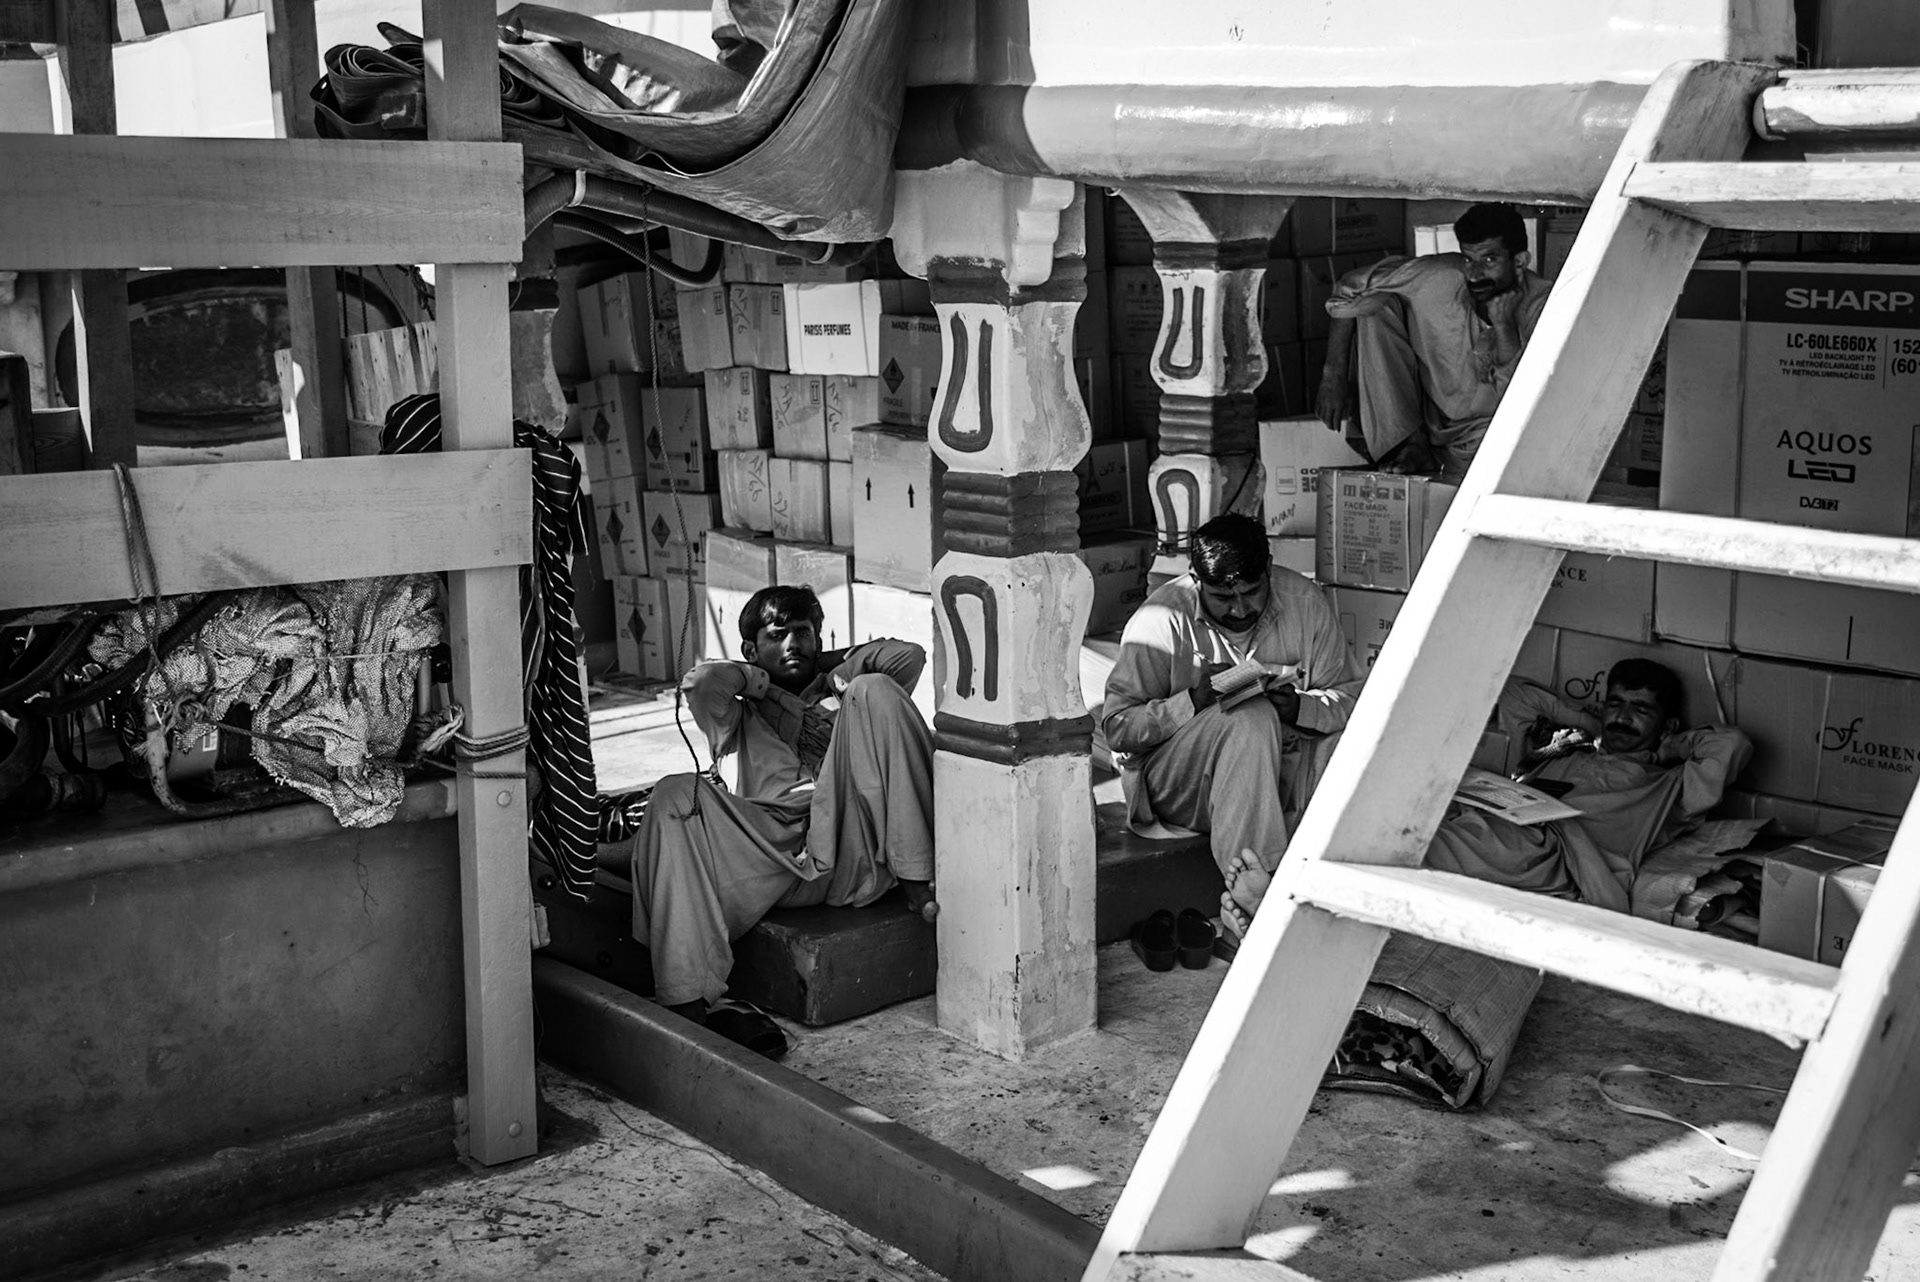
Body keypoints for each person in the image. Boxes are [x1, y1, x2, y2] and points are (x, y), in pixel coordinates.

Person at [1220, 658, 1753, 937]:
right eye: (1616, 704)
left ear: (1667, 724)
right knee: (1368, 786)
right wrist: (1591, 724)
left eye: (1639, 710)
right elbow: (1516, 693)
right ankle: (1292, 888)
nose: (1622, 717)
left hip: (1551, 850)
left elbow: (1732, 745)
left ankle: (1284, 901)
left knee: (1412, 845)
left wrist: (1666, 747)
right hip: (1495, 816)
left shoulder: (1669, 786)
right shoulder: (1566, 749)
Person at [631, 585, 935, 1042]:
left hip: (852, 847)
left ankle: (918, 876)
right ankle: (687, 1000)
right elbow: (702, 682)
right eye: (777, 636)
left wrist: (827, 665)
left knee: (875, 688)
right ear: (751, 650)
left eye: (803, 633)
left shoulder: (842, 695)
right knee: (674, 794)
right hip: (771, 858)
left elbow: (908, 657)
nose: (793, 644)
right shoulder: (737, 714)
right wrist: (764, 683)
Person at [1101, 512, 1365, 904]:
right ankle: (1255, 888)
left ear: (1269, 569)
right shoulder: (1161, 619)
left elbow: (1352, 700)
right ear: (1196, 580)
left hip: (1279, 771)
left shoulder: (1305, 603)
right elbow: (1118, 729)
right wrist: (1190, 703)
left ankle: (1348, 887)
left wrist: (1299, 708)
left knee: (1358, 743)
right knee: (1250, 718)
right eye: (1223, 598)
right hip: (1182, 786)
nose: (1240, 610)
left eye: (1252, 592)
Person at [1316, 202, 1554, 475]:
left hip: (1493, 435)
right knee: (1375, 305)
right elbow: (1349, 289)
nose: (1474, 274)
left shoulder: (1547, 307)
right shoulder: (1440, 276)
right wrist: (1333, 375)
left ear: (1520, 262)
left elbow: (1522, 403)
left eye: (1489, 260)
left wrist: (1503, 326)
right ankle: (1411, 445)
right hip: (1432, 425)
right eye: (1468, 259)